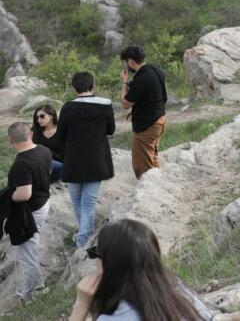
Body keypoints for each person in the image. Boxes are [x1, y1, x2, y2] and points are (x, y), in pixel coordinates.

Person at [69, 219, 213, 321]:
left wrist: (81, 306)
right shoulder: (179, 291)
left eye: (95, 253)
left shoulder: (115, 317)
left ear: (109, 264)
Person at [53, 72, 114, 250]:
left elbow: (60, 136)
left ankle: (82, 240)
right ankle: (85, 235)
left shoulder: (68, 108)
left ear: (74, 88)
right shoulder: (105, 104)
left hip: (74, 159)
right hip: (97, 159)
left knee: (77, 200)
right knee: (88, 203)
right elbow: (110, 130)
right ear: (92, 85)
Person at [5, 121, 51, 301]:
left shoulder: (22, 164)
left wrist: (7, 195)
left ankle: (32, 292)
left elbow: (24, 194)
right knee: (32, 245)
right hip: (44, 202)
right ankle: (37, 283)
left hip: (30, 212)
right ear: (30, 134)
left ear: (11, 141)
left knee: (26, 254)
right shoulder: (44, 150)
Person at [119, 46, 167, 175]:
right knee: (152, 158)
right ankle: (159, 183)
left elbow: (125, 103)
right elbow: (158, 96)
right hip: (160, 119)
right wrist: (138, 110)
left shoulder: (141, 79)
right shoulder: (156, 69)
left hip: (148, 126)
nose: (126, 66)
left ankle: (149, 187)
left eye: (126, 62)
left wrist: (124, 82)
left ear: (131, 62)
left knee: (142, 166)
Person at [31, 103, 64, 183]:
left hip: (60, 165)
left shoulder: (62, 129)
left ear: (51, 116)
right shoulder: (35, 131)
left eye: (42, 116)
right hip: (42, 163)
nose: (39, 119)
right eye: (37, 118)